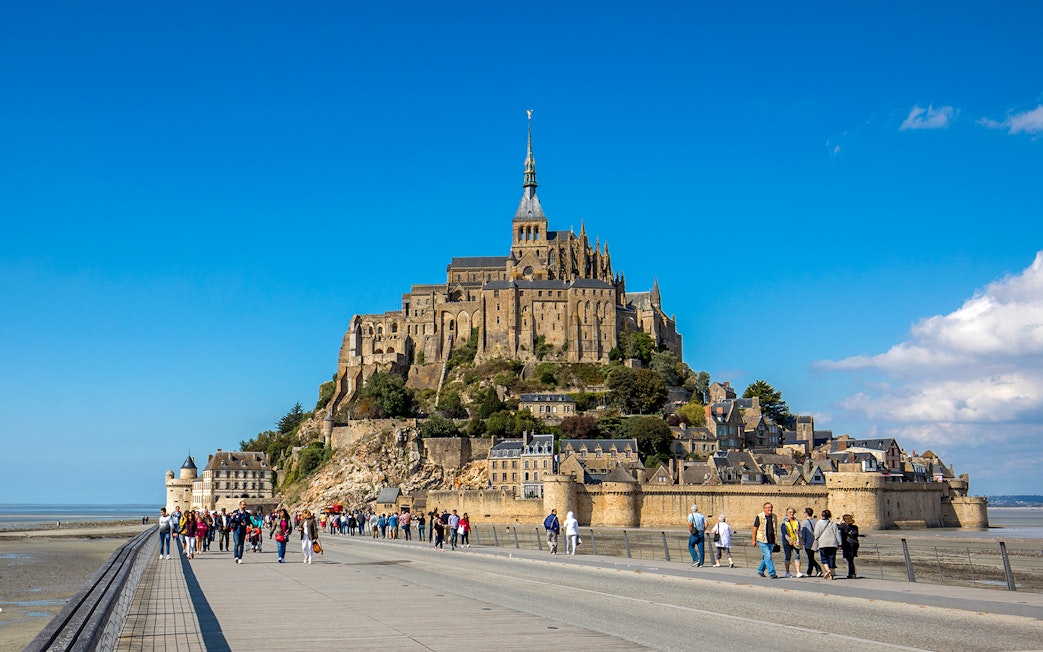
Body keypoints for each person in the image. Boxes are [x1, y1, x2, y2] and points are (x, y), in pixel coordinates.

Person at [751, 502, 778, 578]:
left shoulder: (774, 517)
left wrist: (775, 541)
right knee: (768, 556)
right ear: (764, 509)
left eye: (771, 507)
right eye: (768, 507)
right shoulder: (759, 517)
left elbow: (774, 529)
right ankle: (772, 573)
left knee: (766, 557)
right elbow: (754, 529)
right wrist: (753, 540)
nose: (770, 509)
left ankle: (760, 570)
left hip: (771, 540)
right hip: (762, 540)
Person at [813, 509, 842, 580]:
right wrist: (840, 543)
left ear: (822, 515)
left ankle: (828, 570)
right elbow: (837, 534)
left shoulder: (819, 523)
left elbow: (816, 534)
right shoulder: (833, 523)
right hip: (833, 544)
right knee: (832, 558)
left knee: (824, 558)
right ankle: (831, 574)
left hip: (823, 543)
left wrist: (817, 539)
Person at [780, 507, 804, 578]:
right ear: (787, 513)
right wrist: (789, 541)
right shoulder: (784, 523)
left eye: (793, 512)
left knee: (797, 556)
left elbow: (799, 531)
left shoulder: (796, 521)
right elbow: (784, 533)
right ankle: (787, 572)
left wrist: (799, 539)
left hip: (796, 541)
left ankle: (798, 572)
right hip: (787, 542)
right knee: (788, 556)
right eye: (790, 512)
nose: (792, 513)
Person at [801, 508, 823, 577]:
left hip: (808, 542)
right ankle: (810, 571)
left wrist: (803, 541)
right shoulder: (816, 521)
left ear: (806, 513)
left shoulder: (805, 522)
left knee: (810, 557)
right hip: (815, 542)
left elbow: (803, 532)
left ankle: (817, 569)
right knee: (811, 557)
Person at [839, 514, 860, 578]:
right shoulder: (855, 527)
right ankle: (852, 573)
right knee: (851, 560)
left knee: (850, 560)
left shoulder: (843, 526)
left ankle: (852, 573)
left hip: (847, 544)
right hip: (855, 544)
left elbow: (836, 527)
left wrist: (840, 521)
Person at [230, 500, 250, 564]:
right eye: (243, 505)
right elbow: (231, 520)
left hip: (243, 530)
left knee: (241, 544)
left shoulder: (246, 514)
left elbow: (249, 522)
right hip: (236, 530)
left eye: (245, 505)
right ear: (240, 505)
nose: (244, 506)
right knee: (237, 543)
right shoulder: (235, 512)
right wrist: (232, 517)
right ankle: (236, 556)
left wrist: (246, 523)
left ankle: (240, 557)